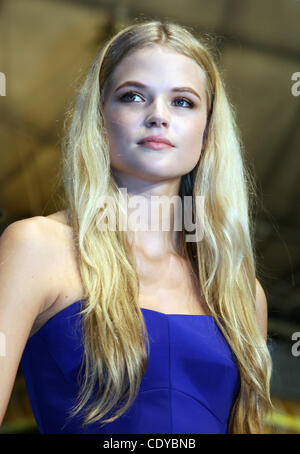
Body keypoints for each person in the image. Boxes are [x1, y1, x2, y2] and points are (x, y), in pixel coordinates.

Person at [0, 20, 274, 434]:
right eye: (133, 96)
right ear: (99, 119)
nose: (158, 116)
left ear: (207, 133)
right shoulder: (39, 247)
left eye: (182, 102)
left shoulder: (239, 289)